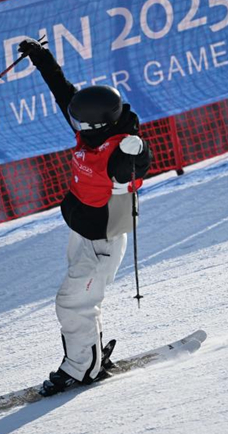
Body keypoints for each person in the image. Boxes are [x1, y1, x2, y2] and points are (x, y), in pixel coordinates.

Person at [18, 38, 152, 396]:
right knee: (81, 300)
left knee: (72, 301)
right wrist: (41, 58)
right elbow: (64, 94)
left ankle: (83, 368)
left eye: (80, 121)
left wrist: (134, 154)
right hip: (82, 232)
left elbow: (135, 171)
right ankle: (90, 354)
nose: (74, 123)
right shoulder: (92, 132)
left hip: (102, 239)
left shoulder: (118, 151)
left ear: (97, 125)